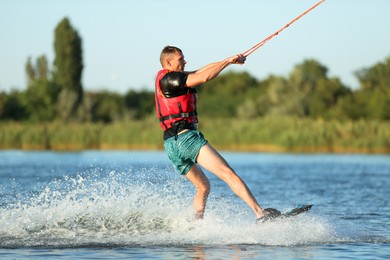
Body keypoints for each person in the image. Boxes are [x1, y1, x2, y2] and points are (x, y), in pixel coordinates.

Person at [155, 45, 272, 222]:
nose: (185, 62)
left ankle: (196, 225)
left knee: (203, 186)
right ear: (168, 62)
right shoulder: (169, 79)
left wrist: (229, 61)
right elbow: (204, 77)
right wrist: (227, 62)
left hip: (171, 145)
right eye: (181, 59)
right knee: (228, 173)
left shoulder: (170, 78)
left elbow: (202, 70)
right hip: (186, 139)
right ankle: (260, 214)